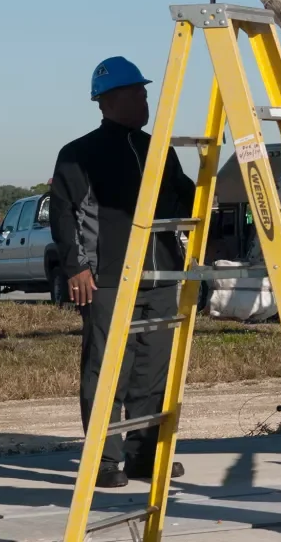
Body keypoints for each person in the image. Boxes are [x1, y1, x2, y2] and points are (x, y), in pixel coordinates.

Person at [49, 56, 194, 490]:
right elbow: (63, 213)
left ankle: (144, 454)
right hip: (109, 278)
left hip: (162, 276)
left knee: (153, 369)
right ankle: (104, 459)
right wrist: (76, 268)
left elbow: (185, 200)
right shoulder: (79, 154)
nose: (145, 100)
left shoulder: (159, 149)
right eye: (137, 93)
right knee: (108, 370)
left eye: (146, 92)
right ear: (108, 100)